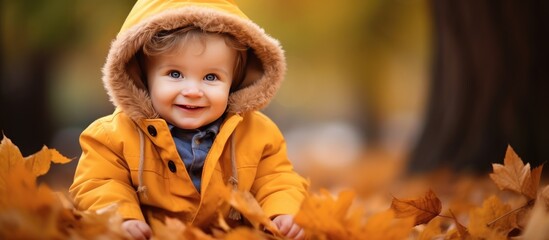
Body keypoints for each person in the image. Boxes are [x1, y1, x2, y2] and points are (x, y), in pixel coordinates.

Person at [69, 1, 309, 239]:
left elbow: (276, 180)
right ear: (143, 77)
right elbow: (99, 182)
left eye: (211, 77)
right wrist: (120, 217)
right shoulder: (112, 136)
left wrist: (283, 212)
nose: (193, 91)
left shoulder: (257, 134)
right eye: (175, 74)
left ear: (234, 83)